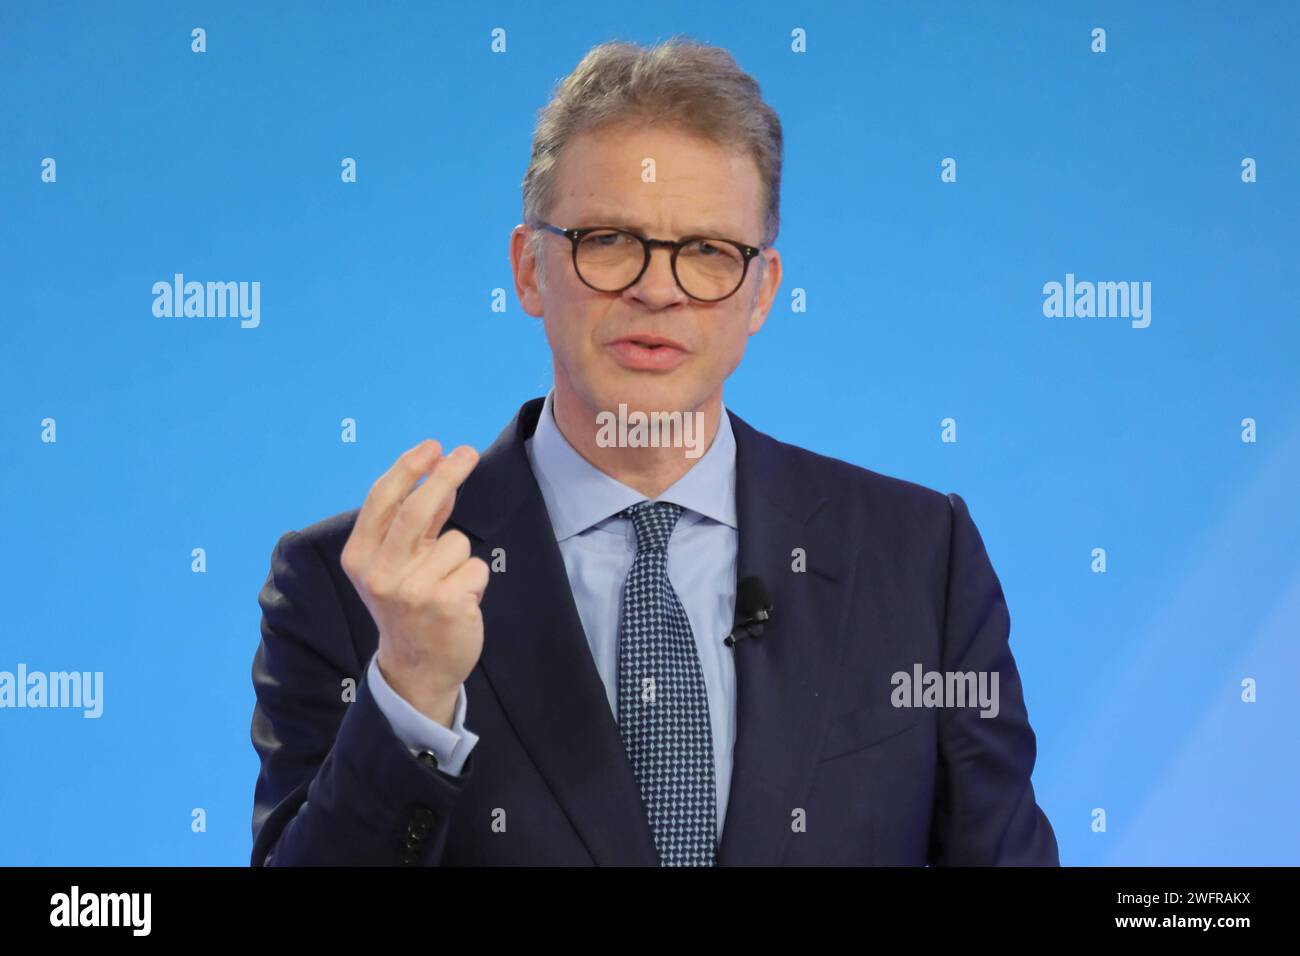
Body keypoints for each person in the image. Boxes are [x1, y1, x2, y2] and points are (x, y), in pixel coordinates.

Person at [250, 36, 1059, 866]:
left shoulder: (921, 557)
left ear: (762, 293)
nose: (659, 287)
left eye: (708, 251)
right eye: (607, 240)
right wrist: (414, 689)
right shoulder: (349, 591)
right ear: (530, 270)